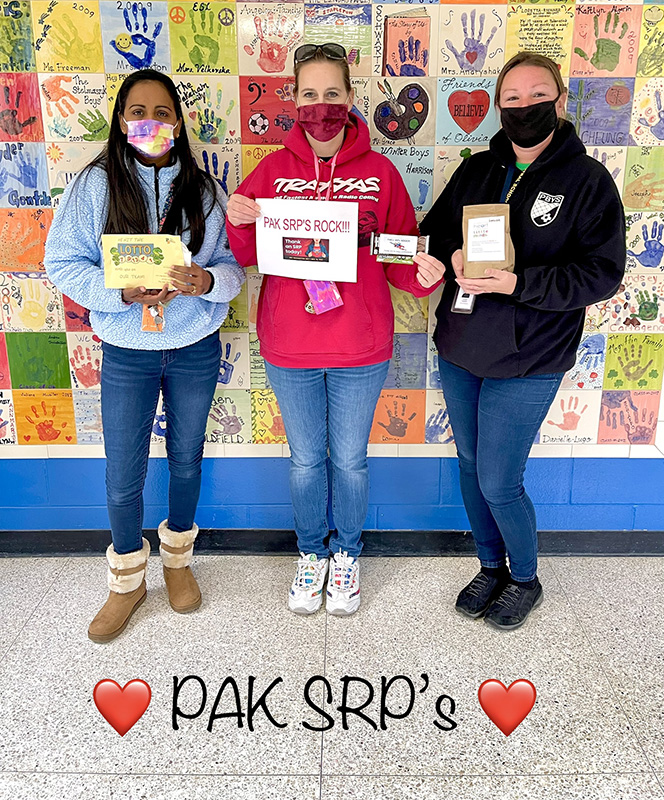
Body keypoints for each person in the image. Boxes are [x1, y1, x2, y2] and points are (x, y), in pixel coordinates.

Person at [226, 43, 445, 617]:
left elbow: (400, 258)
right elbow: (246, 255)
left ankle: (346, 553)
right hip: (289, 347)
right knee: (305, 461)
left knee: (348, 461)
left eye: (331, 94)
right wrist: (238, 217)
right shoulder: (272, 170)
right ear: (293, 101)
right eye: (308, 94)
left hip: (361, 347)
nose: (320, 105)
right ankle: (310, 553)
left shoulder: (380, 173)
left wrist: (423, 275)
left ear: (350, 99)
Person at [420, 51, 626, 631]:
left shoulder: (586, 180)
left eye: (537, 96)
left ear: (560, 102)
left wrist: (520, 283)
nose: (524, 108)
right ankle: (490, 566)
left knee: (498, 478)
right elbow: (433, 232)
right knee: (467, 463)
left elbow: (602, 273)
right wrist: (447, 254)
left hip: (532, 355)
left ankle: (526, 577)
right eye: (511, 99)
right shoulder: (477, 169)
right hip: (462, 345)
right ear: (498, 108)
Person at [45, 69, 245, 642]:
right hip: (128, 349)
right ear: (121, 120)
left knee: (186, 457)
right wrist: (120, 292)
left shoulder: (205, 191)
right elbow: (61, 263)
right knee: (122, 470)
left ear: (178, 123)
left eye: (161, 112)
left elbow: (235, 266)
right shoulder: (94, 186)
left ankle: (178, 560)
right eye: (137, 111)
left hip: (193, 347)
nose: (149, 122)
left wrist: (206, 280)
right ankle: (127, 578)